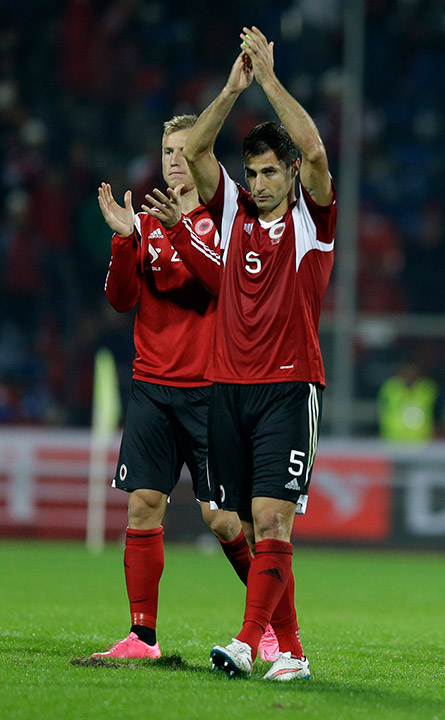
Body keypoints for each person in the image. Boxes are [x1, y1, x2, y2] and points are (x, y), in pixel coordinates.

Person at [173, 27, 336, 682]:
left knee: (273, 517)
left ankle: (248, 641)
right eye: (254, 172)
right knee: (237, 522)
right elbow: (192, 148)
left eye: (272, 171)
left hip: (288, 388)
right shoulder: (234, 209)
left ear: (290, 173)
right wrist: (232, 88)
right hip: (227, 387)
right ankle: (290, 652)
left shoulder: (313, 221)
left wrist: (268, 79)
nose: (261, 182)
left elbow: (319, 150)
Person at [91, 115, 278, 662]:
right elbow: (121, 299)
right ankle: (142, 637)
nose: (174, 158)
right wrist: (126, 240)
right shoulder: (146, 223)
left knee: (222, 518)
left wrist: (175, 230)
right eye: (167, 149)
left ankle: (267, 627)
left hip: (210, 389)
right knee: (143, 506)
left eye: (184, 150)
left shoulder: (229, 217)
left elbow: (220, 286)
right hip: (152, 386)